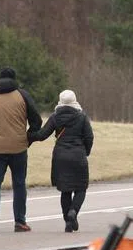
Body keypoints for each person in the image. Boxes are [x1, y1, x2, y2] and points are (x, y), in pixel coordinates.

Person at [0, 67, 42, 234]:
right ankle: (20, 222)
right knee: (19, 183)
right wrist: (28, 138)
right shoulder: (23, 95)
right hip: (18, 147)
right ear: (14, 79)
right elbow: (37, 121)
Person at [28, 89, 94, 232]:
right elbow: (89, 137)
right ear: (75, 100)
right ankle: (73, 212)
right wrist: (85, 152)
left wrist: (27, 136)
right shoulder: (82, 117)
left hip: (60, 156)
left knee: (65, 190)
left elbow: (42, 135)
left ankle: (68, 220)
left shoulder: (55, 117)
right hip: (78, 155)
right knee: (80, 188)